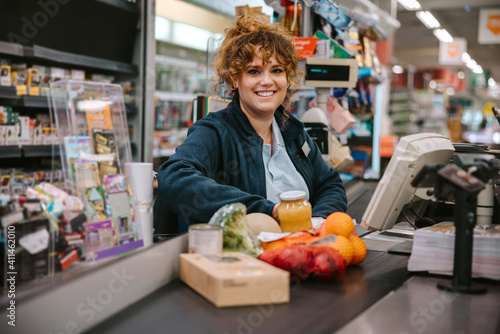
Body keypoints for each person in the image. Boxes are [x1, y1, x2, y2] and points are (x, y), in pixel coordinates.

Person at [155, 15, 347, 234]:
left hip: (299, 253)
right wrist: (268, 210)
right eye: (254, 71)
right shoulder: (215, 131)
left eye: (277, 70)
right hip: (244, 263)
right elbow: (174, 177)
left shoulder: (293, 132)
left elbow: (330, 184)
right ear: (235, 80)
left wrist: (317, 223)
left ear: (287, 78)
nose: (267, 81)